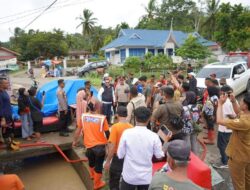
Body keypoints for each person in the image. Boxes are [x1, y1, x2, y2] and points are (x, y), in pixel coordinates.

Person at [117, 107, 165, 190]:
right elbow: (159, 156)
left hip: (129, 176)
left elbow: (120, 155)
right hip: (145, 178)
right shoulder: (154, 136)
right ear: (149, 119)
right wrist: (165, 142)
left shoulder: (127, 133)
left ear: (135, 118)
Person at [72, 101, 110, 190]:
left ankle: (92, 175)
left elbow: (78, 130)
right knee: (99, 166)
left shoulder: (83, 116)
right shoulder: (102, 118)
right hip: (100, 147)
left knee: (91, 162)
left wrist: (74, 141)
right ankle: (97, 184)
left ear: (88, 108)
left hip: (88, 146)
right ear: (97, 108)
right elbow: (108, 134)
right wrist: (109, 146)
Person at [217, 92, 250, 190]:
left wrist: (219, 104)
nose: (239, 101)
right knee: (247, 178)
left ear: (245, 105)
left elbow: (219, 120)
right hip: (247, 155)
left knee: (238, 182)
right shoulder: (246, 115)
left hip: (239, 156)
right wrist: (233, 101)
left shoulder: (244, 122)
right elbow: (239, 113)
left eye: (241, 101)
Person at [104, 106, 133, 190]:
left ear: (117, 115)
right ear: (127, 115)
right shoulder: (131, 127)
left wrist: (108, 161)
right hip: (128, 156)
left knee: (114, 180)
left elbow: (112, 146)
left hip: (117, 157)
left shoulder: (115, 127)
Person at [213, 85, 239, 169]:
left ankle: (225, 162)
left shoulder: (226, 103)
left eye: (220, 92)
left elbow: (231, 116)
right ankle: (227, 159)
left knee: (222, 146)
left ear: (222, 93)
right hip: (230, 128)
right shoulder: (234, 100)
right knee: (228, 145)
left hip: (225, 129)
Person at [0, 79, 19, 150]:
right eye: (6, 83)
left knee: (11, 128)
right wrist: (2, 118)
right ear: (1, 84)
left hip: (9, 114)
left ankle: (12, 142)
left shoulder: (4, 91)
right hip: (4, 116)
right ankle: (9, 146)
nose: (8, 84)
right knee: (6, 131)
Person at [181, 82, 199, 155]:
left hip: (187, 127)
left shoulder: (185, 107)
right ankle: (196, 156)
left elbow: (182, 117)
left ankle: (187, 155)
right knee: (194, 141)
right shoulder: (196, 107)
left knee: (187, 141)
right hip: (195, 126)